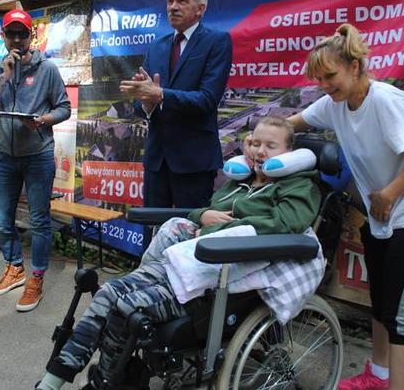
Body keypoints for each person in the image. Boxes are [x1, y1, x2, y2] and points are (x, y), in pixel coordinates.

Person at [36, 117, 321, 390]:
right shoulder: (240, 181)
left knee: (128, 308)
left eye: (271, 146)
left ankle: (105, 382)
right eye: (256, 143)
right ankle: (55, 378)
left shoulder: (298, 186)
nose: (260, 151)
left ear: (289, 153)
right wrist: (204, 214)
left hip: (216, 277)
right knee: (108, 292)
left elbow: (286, 224)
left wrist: (219, 227)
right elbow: (201, 214)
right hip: (184, 263)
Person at [288, 23, 404, 390]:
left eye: (329, 76)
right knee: (380, 305)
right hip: (384, 220)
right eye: (318, 79)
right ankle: (378, 377)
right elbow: (293, 123)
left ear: (355, 66)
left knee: (403, 319)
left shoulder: (386, 100)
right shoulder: (335, 103)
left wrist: (388, 194)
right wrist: (263, 140)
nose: (324, 85)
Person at [0, 9, 71, 312]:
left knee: (40, 220)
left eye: (23, 33)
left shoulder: (47, 69)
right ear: (4, 37)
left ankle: (37, 278)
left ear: (31, 36)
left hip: (38, 155)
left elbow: (64, 108)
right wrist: (4, 76)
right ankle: (15, 267)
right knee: (2, 219)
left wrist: (45, 120)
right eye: (11, 33)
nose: (17, 39)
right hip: (6, 154)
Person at [120, 0, 232, 210]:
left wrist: (160, 95)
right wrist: (146, 102)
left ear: (200, 9)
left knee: (188, 235)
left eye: (182, 1)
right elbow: (144, 104)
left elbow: (207, 100)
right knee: (152, 232)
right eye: (170, 1)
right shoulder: (157, 46)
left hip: (194, 162)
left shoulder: (217, 41)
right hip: (156, 160)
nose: (173, 7)